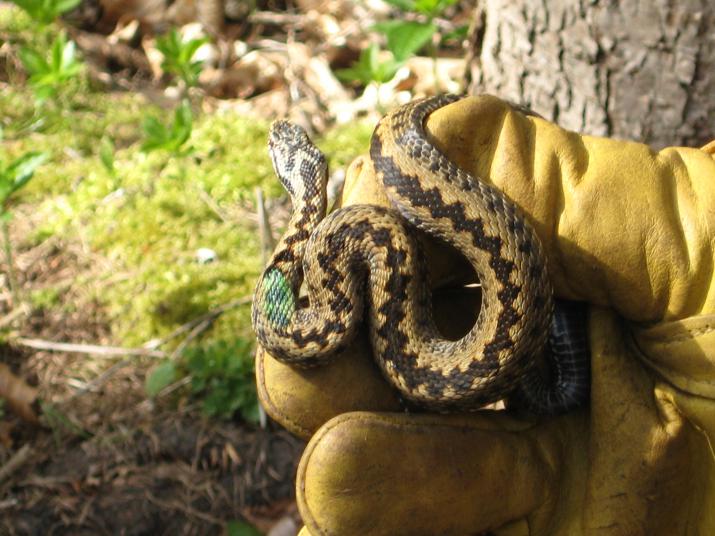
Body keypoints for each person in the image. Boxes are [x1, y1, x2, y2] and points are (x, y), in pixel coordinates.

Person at [256, 95, 715, 535]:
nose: (278, 142)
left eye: (281, 149)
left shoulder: (321, 243)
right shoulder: (338, 250)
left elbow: (275, 302)